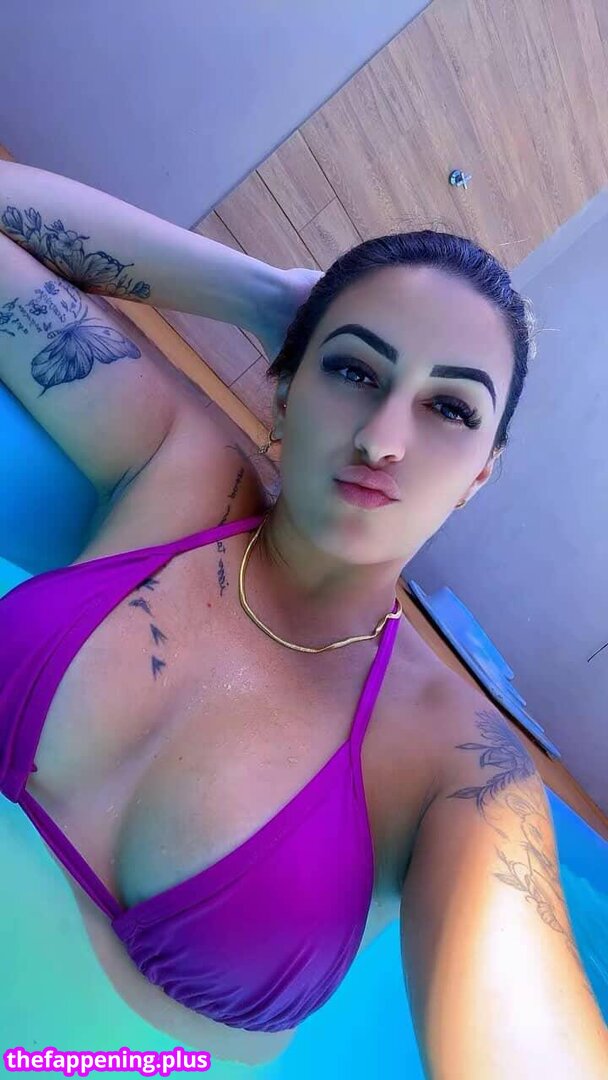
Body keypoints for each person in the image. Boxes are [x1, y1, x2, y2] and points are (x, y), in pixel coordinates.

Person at [1, 162, 607, 1074]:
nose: (382, 439)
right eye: (353, 368)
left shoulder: (460, 769)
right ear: (285, 390)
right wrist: (262, 294)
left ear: (479, 476)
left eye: (449, 407)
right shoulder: (178, 472)